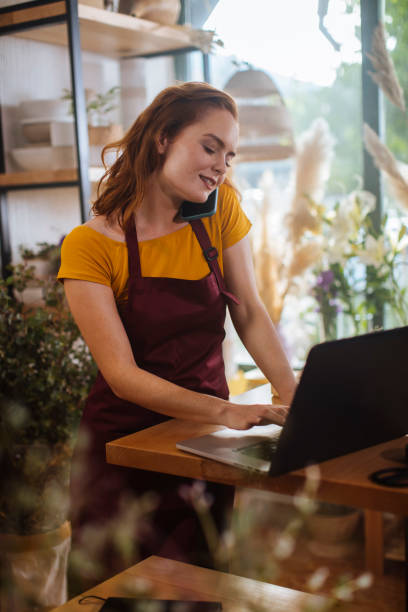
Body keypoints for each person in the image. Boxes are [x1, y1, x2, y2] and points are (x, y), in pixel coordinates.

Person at [58, 81, 296, 590]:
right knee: (119, 592)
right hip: (123, 448)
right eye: (210, 147)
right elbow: (121, 375)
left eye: (229, 155)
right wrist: (227, 411)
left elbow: (250, 312)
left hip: (203, 444)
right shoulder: (89, 246)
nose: (221, 166)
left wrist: (295, 395)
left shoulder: (220, 211)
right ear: (163, 137)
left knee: (202, 584)